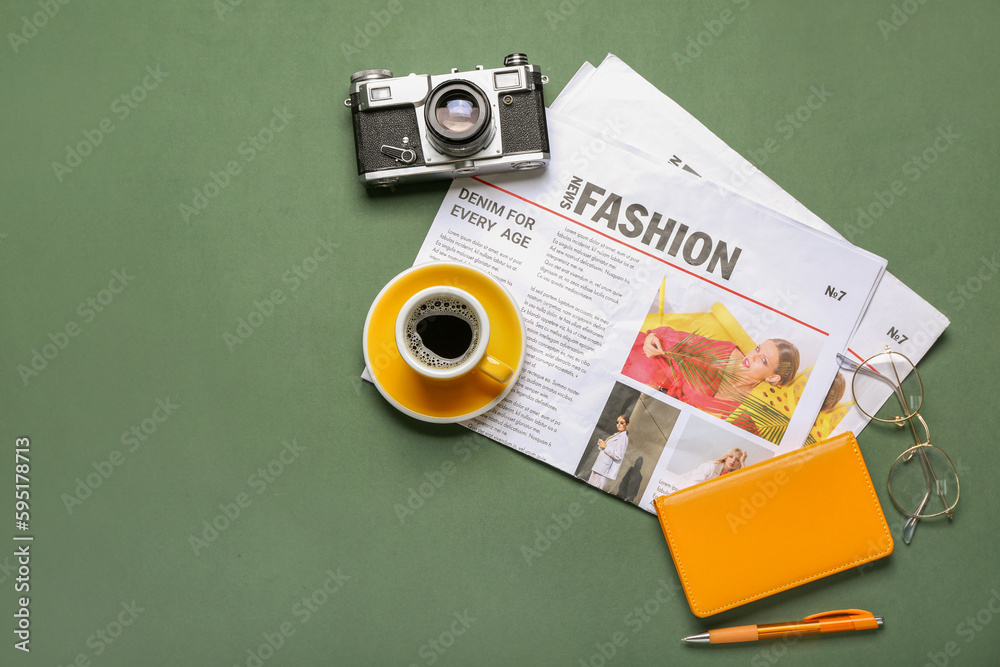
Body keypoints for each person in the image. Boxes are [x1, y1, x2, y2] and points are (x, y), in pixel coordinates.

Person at [621, 326, 800, 430]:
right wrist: (651, 338)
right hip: (656, 370)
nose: (752, 356)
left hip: (662, 413)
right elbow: (677, 340)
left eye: (763, 360)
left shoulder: (746, 408)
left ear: (773, 378)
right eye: (758, 348)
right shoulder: (728, 353)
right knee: (646, 370)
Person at [587, 414, 629, 491]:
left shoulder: (623, 438)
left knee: (593, 490)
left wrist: (606, 446)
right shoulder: (616, 435)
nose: (619, 424)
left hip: (603, 470)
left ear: (627, 425)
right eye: (617, 422)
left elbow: (619, 456)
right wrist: (602, 444)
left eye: (622, 423)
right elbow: (606, 447)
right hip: (599, 466)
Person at [680, 448, 747, 486]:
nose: (733, 461)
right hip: (683, 485)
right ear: (726, 457)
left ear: (739, 464)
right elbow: (694, 484)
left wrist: (742, 462)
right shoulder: (711, 466)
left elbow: (745, 482)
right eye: (731, 457)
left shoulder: (731, 476)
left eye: (737, 460)